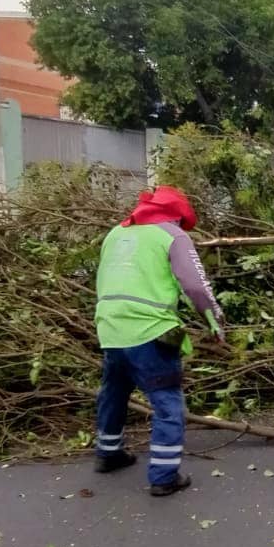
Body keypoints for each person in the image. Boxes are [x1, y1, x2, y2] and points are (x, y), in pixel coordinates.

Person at [92, 186, 224, 497]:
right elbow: (195, 285)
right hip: (150, 330)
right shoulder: (171, 235)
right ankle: (164, 476)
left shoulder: (116, 233)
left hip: (110, 327)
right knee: (167, 403)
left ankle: (108, 453)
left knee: (114, 392)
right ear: (178, 215)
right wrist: (214, 320)